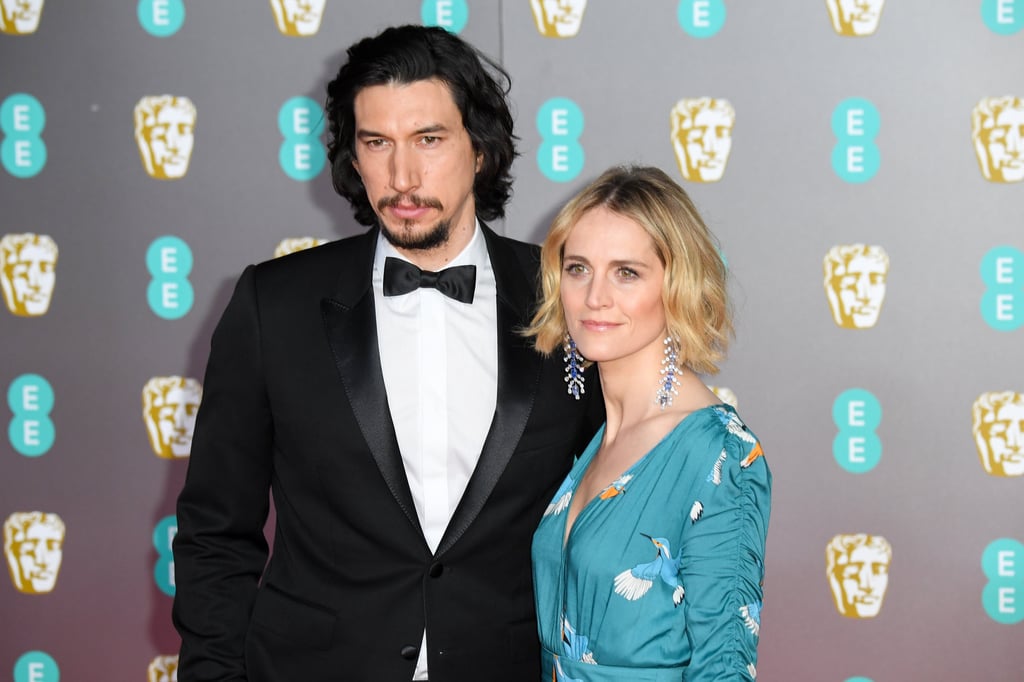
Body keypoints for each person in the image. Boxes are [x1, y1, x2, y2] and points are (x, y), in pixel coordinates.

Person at [171, 24, 600, 681]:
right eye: (377, 143)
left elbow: (624, 506)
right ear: (354, 157)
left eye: (429, 140)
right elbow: (214, 533)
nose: (402, 175)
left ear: (479, 149)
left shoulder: (567, 299)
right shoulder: (273, 306)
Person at [526, 165, 771, 680]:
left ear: (678, 285)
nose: (595, 297)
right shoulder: (595, 435)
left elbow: (723, 669)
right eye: (578, 268)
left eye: (626, 272)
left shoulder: (720, 454)